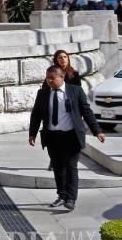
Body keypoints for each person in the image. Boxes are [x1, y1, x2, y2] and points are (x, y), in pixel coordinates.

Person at [29, 66, 106, 210]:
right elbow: (36, 114)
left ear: (61, 77)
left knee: (71, 167)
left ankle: (71, 198)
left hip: (71, 136)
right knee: (58, 167)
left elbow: (87, 112)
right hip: (52, 136)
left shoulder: (75, 91)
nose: (49, 81)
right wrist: (32, 133)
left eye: (52, 78)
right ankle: (62, 195)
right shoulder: (43, 93)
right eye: (47, 78)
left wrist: (97, 131)